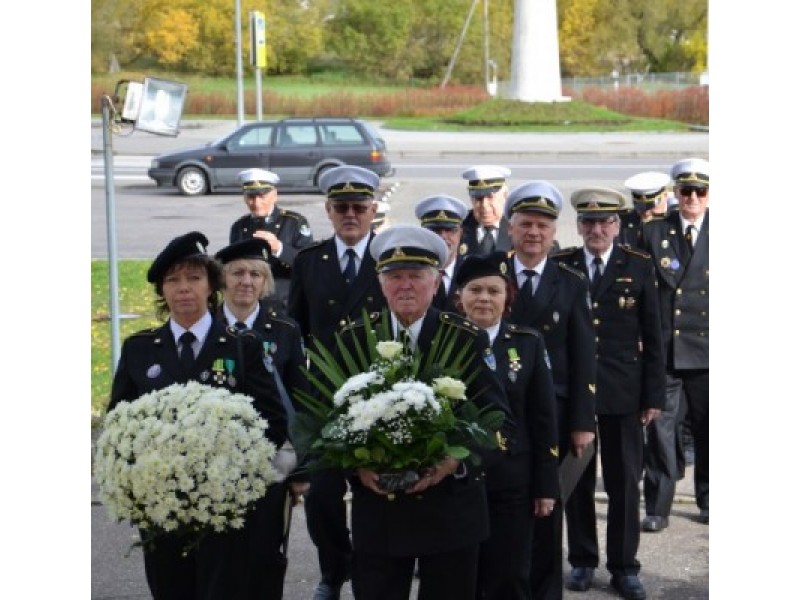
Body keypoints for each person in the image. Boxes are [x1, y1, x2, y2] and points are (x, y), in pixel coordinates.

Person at [107, 231, 292, 600]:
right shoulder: (140, 349)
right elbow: (118, 422)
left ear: (212, 285)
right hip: (162, 508)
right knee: (170, 589)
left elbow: (273, 421)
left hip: (225, 507)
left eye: (194, 278)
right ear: (162, 291)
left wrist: (233, 468)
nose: (183, 289)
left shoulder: (242, 346)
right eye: (172, 281)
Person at [337, 225, 514, 600]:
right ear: (381, 285)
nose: (405, 286)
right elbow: (332, 421)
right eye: (394, 277)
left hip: (450, 510)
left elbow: (498, 421)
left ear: (435, 285)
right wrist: (357, 465)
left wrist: (455, 460)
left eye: (415, 276)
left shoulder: (465, 337)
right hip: (380, 512)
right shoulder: (354, 339)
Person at [553, 188, 665, 600]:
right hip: (575, 393)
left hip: (623, 392)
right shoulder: (562, 265)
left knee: (622, 484)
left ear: (617, 225)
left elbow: (654, 336)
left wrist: (653, 394)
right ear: (579, 225)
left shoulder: (637, 265)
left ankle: (624, 566)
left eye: (605, 222)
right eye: (588, 221)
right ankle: (582, 561)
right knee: (578, 481)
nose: (596, 229)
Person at [287, 165, 388, 599]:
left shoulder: (389, 260)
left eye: (359, 207)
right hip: (324, 401)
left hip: (378, 398)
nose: (351, 214)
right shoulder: (311, 262)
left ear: (373, 211)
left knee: (375, 497)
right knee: (322, 499)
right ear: (328, 211)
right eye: (342, 207)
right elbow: (296, 333)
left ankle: (368, 573)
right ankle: (334, 570)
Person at [502, 180, 597, 600]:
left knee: (546, 510)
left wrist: (582, 421)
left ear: (555, 232)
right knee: (505, 511)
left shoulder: (570, 281)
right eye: (525, 224)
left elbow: (583, 357)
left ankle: (544, 592)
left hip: (553, 415)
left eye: (542, 225)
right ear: (511, 228)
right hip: (500, 411)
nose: (534, 233)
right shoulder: (492, 275)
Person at [453, 251, 560, 600]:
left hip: (514, 479)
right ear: (460, 297)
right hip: (457, 478)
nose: (484, 298)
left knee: (511, 574)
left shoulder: (527, 343)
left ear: (507, 297)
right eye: (475, 290)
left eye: (494, 291)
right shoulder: (443, 343)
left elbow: (543, 417)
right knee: (462, 574)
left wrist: (546, 486)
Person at [639, 158, 709, 530]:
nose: (692, 198)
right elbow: (637, 290)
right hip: (664, 349)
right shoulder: (653, 232)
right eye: (686, 191)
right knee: (660, 430)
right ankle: (658, 507)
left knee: (709, 427)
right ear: (674, 194)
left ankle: (710, 498)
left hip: (709, 351)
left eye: (700, 191)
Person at [229, 168, 314, 309]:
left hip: (285, 301)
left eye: (262, 196)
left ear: (274, 195)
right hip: (250, 302)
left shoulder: (294, 222)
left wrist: (279, 248)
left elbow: (309, 264)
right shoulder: (239, 226)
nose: (256, 202)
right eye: (251, 197)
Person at [414, 193, 470, 312]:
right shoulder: (411, 272)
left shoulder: (471, 272)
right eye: (435, 230)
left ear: (460, 233)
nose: (443, 237)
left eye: (450, 230)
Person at [460, 165, 514, 255]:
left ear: (505, 196)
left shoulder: (517, 227)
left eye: (490, 197)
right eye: (478, 199)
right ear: (471, 199)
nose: (484, 205)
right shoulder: (459, 228)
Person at [617, 172, 671, 248]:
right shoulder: (623, 223)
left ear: (665, 196)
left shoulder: (676, 222)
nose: (646, 213)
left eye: (651, 205)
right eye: (640, 206)